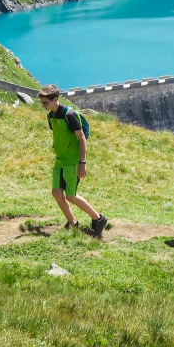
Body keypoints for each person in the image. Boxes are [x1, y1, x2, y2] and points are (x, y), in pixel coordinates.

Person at [38, 85, 106, 236]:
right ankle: (73, 223)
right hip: (60, 160)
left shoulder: (70, 115)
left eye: (45, 103)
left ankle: (99, 219)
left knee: (71, 195)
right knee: (56, 192)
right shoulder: (51, 115)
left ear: (55, 99)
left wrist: (82, 163)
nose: (43, 106)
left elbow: (81, 138)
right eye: (42, 103)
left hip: (73, 162)